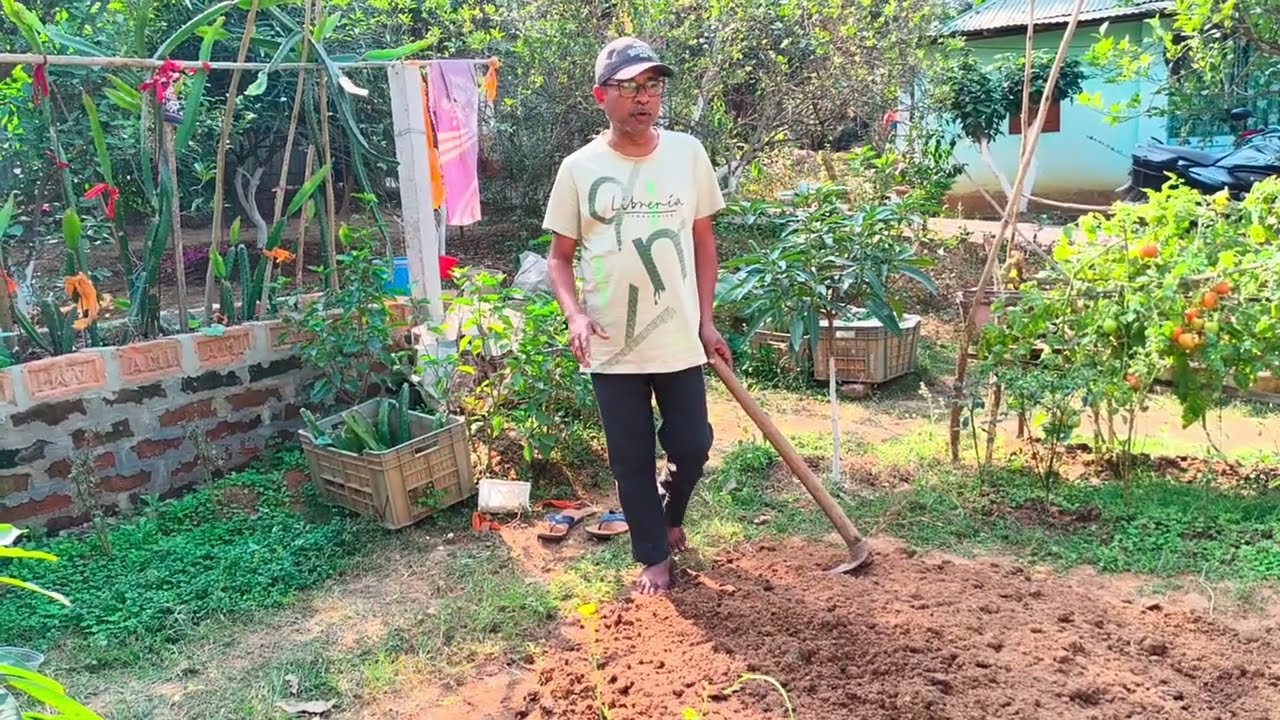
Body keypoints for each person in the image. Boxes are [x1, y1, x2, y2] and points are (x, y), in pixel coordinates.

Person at [542, 37, 733, 595]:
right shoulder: (579, 168)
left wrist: (706, 320)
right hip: (611, 341)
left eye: (651, 85)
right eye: (628, 87)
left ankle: (669, 515)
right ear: (601, 95)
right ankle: (652, 552)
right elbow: (559, 259)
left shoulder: (688, 154)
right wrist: (575, 314)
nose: (642, 98)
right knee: (629, 459)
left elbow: (704, 242)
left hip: (677, 335)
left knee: (693, 444)